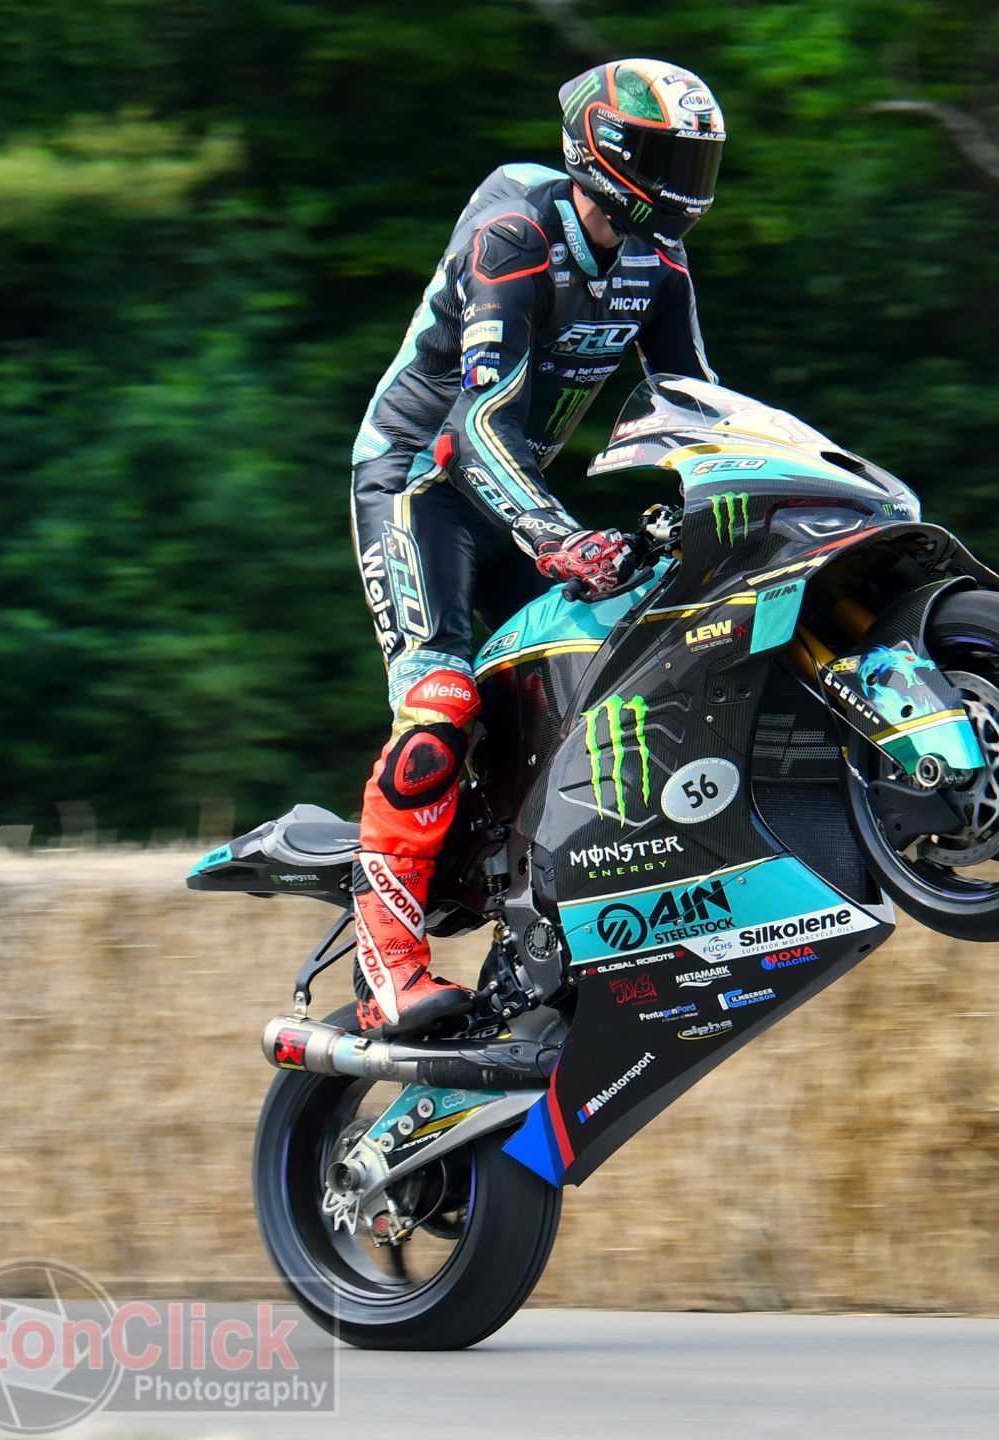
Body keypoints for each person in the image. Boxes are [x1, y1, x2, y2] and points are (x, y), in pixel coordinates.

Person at [346, 59, 725, 1039]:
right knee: (441, 701)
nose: (688, 185)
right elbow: (475, 429)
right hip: (420, 483)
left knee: (605, 679)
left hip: (516, 494)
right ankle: (386, 967)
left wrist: (733, 509)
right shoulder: (513, 239)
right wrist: (558, 537)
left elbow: (698, 411)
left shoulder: (659, 264)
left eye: (698, 162)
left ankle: (540, 927)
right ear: (606, 151)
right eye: (670, 160)